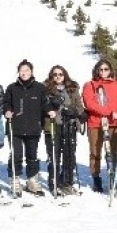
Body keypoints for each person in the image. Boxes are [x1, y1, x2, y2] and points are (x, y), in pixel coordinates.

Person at [2, 59, 54, 196]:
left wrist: (49, 110)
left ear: (31, 72)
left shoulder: (39, 88)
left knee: (32, 155)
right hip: (15, 127)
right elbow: (5, 103)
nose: (24, 73)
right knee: (16, 155)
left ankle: (32, 180)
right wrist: (7, 110)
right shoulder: (12, 88)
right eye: (22, 70)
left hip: (33, 127)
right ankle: (15, 179)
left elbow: (45, 104)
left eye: (27, 70)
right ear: (18, 72)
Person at [81, 59, 117, 193]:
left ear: (110, 70)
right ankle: (96, 178)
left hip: (114, 123)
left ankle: (113, 177)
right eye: (101, 69)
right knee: (95, 152)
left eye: (106, 69)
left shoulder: (115, 85)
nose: (103, 72)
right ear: (97, 70)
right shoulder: (89, 85)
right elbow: (90, 104)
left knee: (113, 152)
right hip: (96, 123)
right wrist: (109, 112)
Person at [42, 65, 85, 196]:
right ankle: (53, 182)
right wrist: (50, 106)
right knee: (54, 155)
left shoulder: (72, 88)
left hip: (69, 124)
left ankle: (67, 182)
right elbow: (41, 105)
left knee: (69, 155)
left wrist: (76, 112)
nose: (58, 77)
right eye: (55, 74)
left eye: (60, 74)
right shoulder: (45, 89)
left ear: (64, 75)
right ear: (51, 76)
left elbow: (79, 106)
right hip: (53, 125)